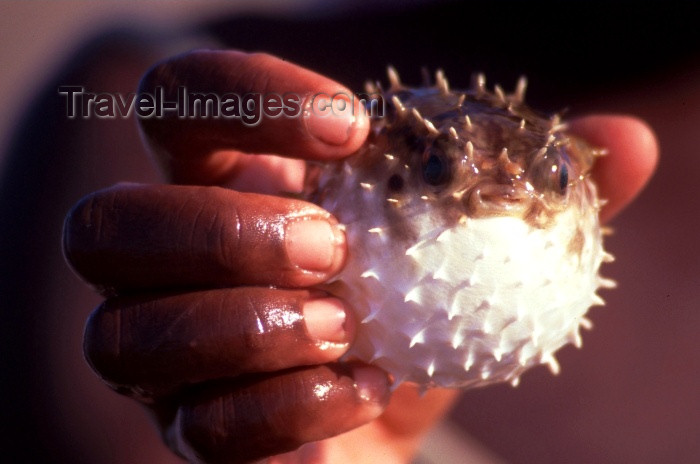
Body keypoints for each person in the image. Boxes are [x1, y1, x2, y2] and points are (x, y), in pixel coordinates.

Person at [61, 50, 658, 463]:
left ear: (579, 174)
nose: (510, 193)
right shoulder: (119, 70)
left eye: (554, 175)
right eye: (436, 168)